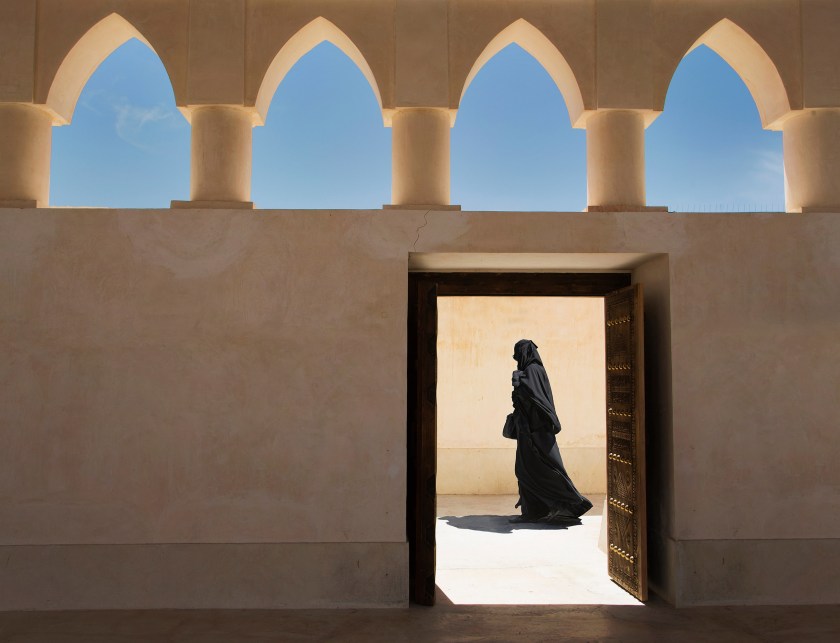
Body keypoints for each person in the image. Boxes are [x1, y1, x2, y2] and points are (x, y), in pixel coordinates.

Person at [506, 339, 593, 523]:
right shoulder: (530, 371)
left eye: (517, 353)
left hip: (536, 433)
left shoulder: (533, 371)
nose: (515, 357)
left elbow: (534, 398)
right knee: (525, 471)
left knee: (546, 471)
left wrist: (518, 381)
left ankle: (571, 505)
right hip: (528, 432)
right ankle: (533, 512)